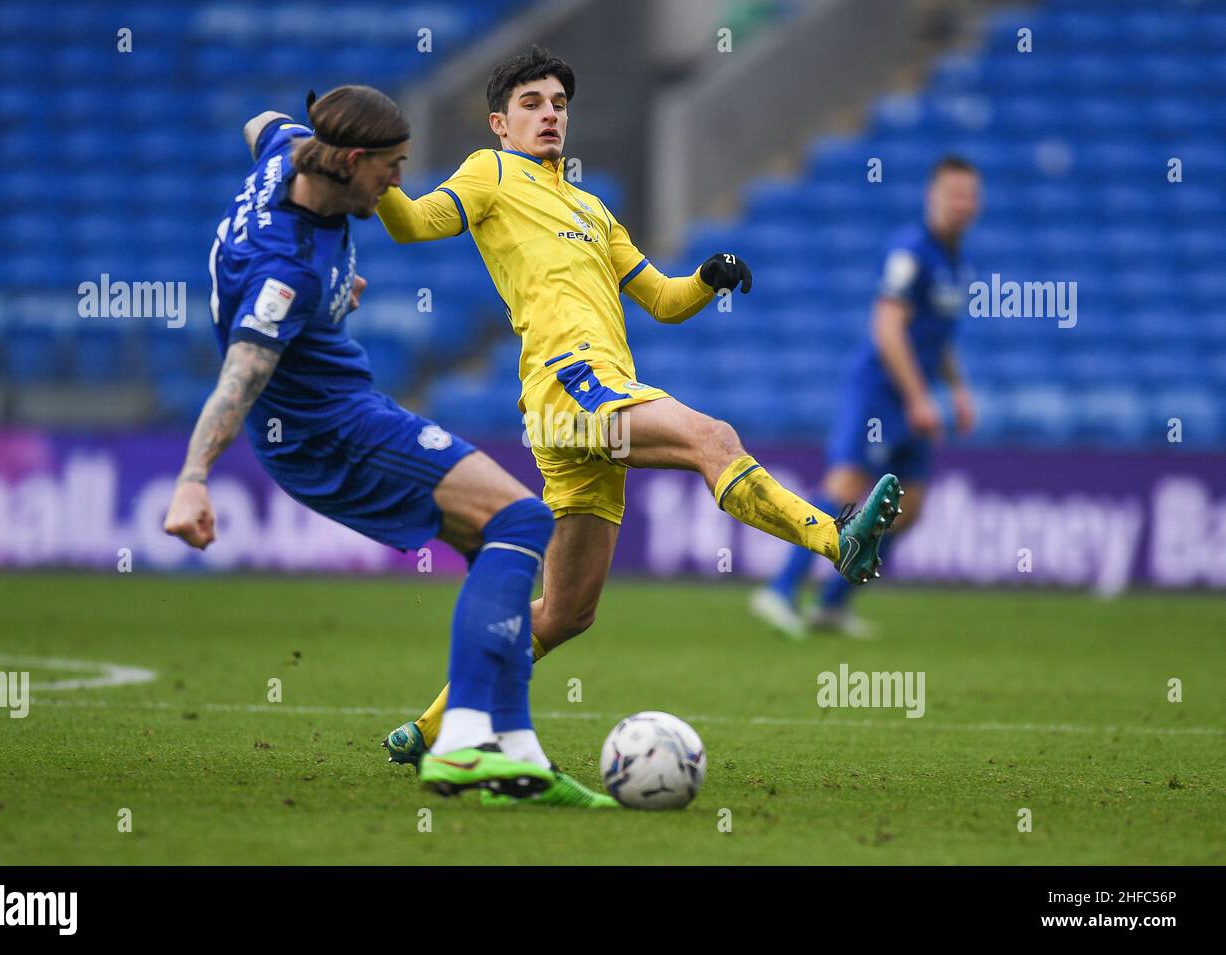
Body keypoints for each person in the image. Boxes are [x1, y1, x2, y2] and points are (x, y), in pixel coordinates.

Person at [374, 47, 902, 764]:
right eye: (532, 103)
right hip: (570, 383)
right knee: (711, 437)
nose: (550, 113)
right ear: (500, 123)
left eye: (559, 102)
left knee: (566, 613)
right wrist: (373, 174)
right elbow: (411, 224)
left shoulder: (594, 210)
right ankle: (836, 540)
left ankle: (432, 728)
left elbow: (660, 298)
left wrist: (708, 279)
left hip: (579, 408)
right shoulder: (488, 172)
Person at [162, 84, 611, 807]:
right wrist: (192, 477)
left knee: (494, 549)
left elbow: (260, 121)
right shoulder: (286, 272)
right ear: (351, 159)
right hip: (330, 430)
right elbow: (238, 379)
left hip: (341, 410)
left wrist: (336, 293)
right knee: (523, 519)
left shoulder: (288, 151)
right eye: (392, 167)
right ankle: (466, 744)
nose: (400, 182)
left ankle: (516, 754)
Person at [752, 156, 980, 639]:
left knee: (910, 506)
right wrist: (919, 397)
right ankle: (781, 590)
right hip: (882, 392)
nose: (961, 204)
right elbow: (887, 327)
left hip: (917, 398)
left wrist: (957, 389)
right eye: (952, 194)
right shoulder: (910, 252)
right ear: (932, 197)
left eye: (969, 195)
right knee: (846, 487)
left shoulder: (956, 262)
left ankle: (832, 604)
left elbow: (936, 339)